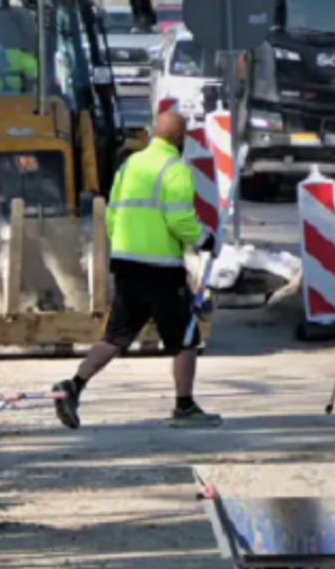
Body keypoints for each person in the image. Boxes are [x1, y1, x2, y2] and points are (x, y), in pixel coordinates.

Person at [53, 107, 221, 430]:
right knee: (186, 337)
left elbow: (113, 215)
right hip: (161, 270)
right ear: (178, 137)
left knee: (115, 337)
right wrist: (206, 240)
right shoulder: (175, 169)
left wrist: (125, 248)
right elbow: (179, 219)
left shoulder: (129, 166)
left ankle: (73, 386)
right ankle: (184, 407)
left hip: (127, 265)